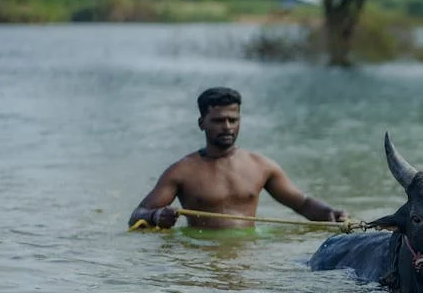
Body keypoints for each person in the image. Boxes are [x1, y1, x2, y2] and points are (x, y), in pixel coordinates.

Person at [129, 87, 347, 230]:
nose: (227, 127)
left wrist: (330, 213)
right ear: (202, 123)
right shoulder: (181, 172)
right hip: (201, 257)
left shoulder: (261, 166)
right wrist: (156, 216)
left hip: (247, 255)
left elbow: (303, 203)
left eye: (233, 120)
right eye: (218, 120)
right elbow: (137, 216)